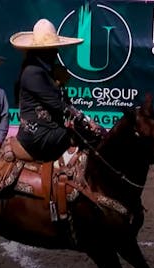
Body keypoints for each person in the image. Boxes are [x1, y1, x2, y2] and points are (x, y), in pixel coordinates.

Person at [10, 19, 100, 162]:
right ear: (43, 51)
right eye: (53, 49)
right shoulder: (33, 72)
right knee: (88, 135)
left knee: (89, 132)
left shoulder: (45, 71)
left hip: (47, 130)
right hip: (37, 134)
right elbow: (57, 104)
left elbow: (64, 102)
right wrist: (85, 120)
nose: (56, 52)